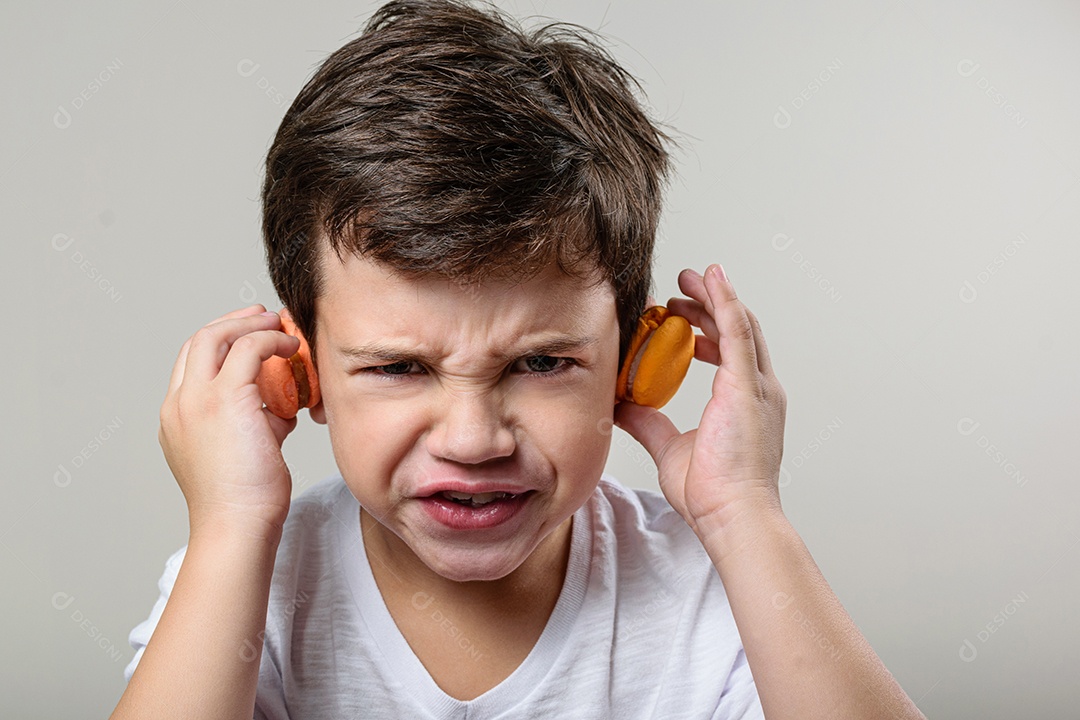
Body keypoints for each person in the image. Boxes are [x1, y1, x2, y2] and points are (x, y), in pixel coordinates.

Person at [110, 1, 926, 718]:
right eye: (399, 368)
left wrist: (744, 512)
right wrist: (230, 525)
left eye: (539, 364)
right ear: (301, 376)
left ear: (634, 367)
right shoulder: (246, 576)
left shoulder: (716, 585)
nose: (473, 440)